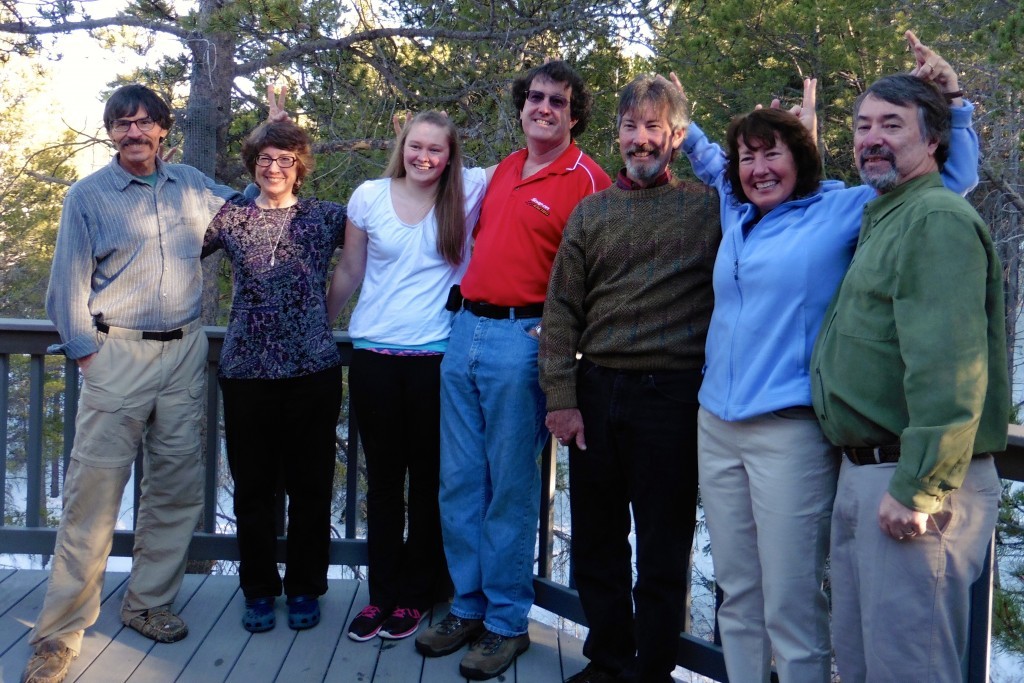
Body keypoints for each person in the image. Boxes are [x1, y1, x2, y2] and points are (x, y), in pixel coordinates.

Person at [683, 32, 980, 682]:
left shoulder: (842, 208)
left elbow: (949, 179)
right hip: (716, 426)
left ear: (804, 158)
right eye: (748, 157)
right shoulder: (737, 213)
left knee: (791, 604)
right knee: (738, 593)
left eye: (774, 155)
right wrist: (683, 129)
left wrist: (954, 104)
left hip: (788, 434)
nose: (759, 168)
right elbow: (714, 164)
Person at [24, 84, 241, 683]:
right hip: (116, 352)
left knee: (174, 488)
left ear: (163, 129)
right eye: (123, 124)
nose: (135, 133)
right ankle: (59, 633)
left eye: (145, 122)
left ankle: (147, 603)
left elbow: (251, 211)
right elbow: (63, 287)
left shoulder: (192, 184)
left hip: (185, 353)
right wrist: (89, 355)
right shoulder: (88, 196)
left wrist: (270, 141)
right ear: (111, 132)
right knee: (93, 496)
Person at [414, 60, 610, 681]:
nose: (543, 107)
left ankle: (505, 622)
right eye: (534, 97)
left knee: (510, 490)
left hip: (524, 341)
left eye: (557, 101)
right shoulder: (502, 168)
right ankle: (467, 606)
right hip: (465, 331)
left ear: (574, 114)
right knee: (460, 482)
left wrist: (559, 350)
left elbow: (598, 279)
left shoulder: (587, 179)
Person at [811, 72, 1008, 683]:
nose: (873, 138)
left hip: (911, 487)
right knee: (868, 663)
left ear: (934, 140)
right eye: (864, 125)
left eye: (892, 125)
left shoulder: (935, 221)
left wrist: (918, 487)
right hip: (865, 476)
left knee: (910, 669)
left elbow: (951, 373)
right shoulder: (887, 213)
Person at [539, 75, 719, 683]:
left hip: (671, 396)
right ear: (616, 134)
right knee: (596, 541)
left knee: (664, 548)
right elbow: (561, 309)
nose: (641, 141)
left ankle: (654, 670)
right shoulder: (592, 213)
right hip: (598, 391)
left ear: (675, 136)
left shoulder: (707, 207)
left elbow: (781, 201)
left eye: (654, 128)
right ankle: (610, 659)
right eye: (630, 128)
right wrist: (562, 398)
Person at [327, 111, 487, 642]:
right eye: (416, 146)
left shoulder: (469, 190)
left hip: (437, 358)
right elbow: (349, 269)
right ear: (403, 145)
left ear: (450, 155)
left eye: (436, 150)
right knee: (384, 482)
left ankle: (417, 596)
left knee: (428, 483)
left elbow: (536, 157)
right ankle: (381, 596)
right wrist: (317, 326)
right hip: (374, 354)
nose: (424, 157)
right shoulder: (369, 195)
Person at [202, 117, 346, 634]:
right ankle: (259, 590)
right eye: (265, 158)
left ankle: (306, 587)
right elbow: (174, 249)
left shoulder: (326, 217)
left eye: (286, 158)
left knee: (311, 488)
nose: (274, 167)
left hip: (313, 370)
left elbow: (381, 247)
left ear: (300, 166)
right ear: (253, 165)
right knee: (254, 490)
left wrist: (322, 316)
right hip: (246, 372)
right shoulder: (232, 218)